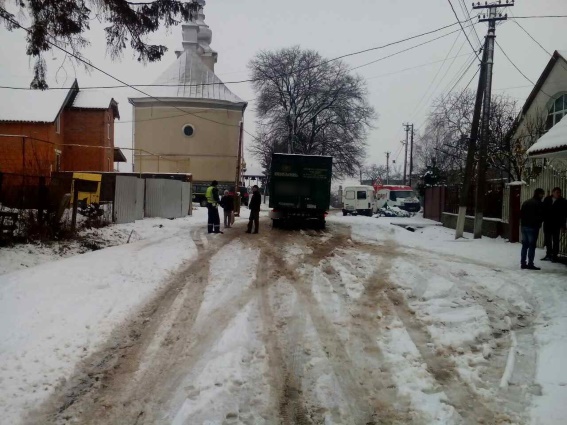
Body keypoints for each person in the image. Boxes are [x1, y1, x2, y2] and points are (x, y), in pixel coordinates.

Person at [520, 188, 545, 270]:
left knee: (525, 245)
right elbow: (541, 215)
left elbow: (521, 214)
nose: (543, 196)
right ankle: (530, 263)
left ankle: (523, 263)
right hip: (533, 227)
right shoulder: (539, 204)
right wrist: (539, 222)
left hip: (524, 226)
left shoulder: (526, 202)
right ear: (539, 194)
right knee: (531, 245)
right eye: (542, 194)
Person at [542, 187, 567, 262]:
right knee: (547, 239)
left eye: (559, 193)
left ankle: (554, 255)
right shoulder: (547, 199)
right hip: (547, 223)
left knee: (556, 240)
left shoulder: (563, 201)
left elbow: (564, 214)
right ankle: (548, 254)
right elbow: (543, 210)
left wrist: (563, 226)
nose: (558, 194)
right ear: (553, 193)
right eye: (557, 192)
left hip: (556, 224)